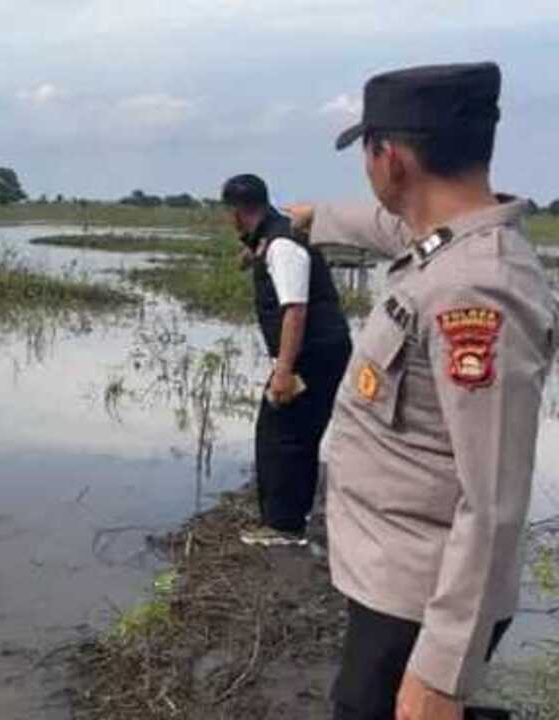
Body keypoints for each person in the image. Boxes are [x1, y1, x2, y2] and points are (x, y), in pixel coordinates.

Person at [287, 62, 559, 720]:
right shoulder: (445, 242)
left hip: (424, 594)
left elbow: (493, 499)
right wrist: (310, 218)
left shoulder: (475, 290)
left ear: (392, 158)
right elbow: (390, 230)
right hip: (397, 576)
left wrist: (442, 670)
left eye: (368, 152)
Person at [220, 174, 352, 547]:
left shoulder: (282, 246)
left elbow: (295, 311)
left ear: (235, 212)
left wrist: (284, 370)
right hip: (321, 350)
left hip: (312, 353)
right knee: (296, 431)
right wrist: (251, 254)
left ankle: (283, 527)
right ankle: (292, 516)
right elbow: (263, 252)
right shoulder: (274, 238)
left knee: (282, 433)